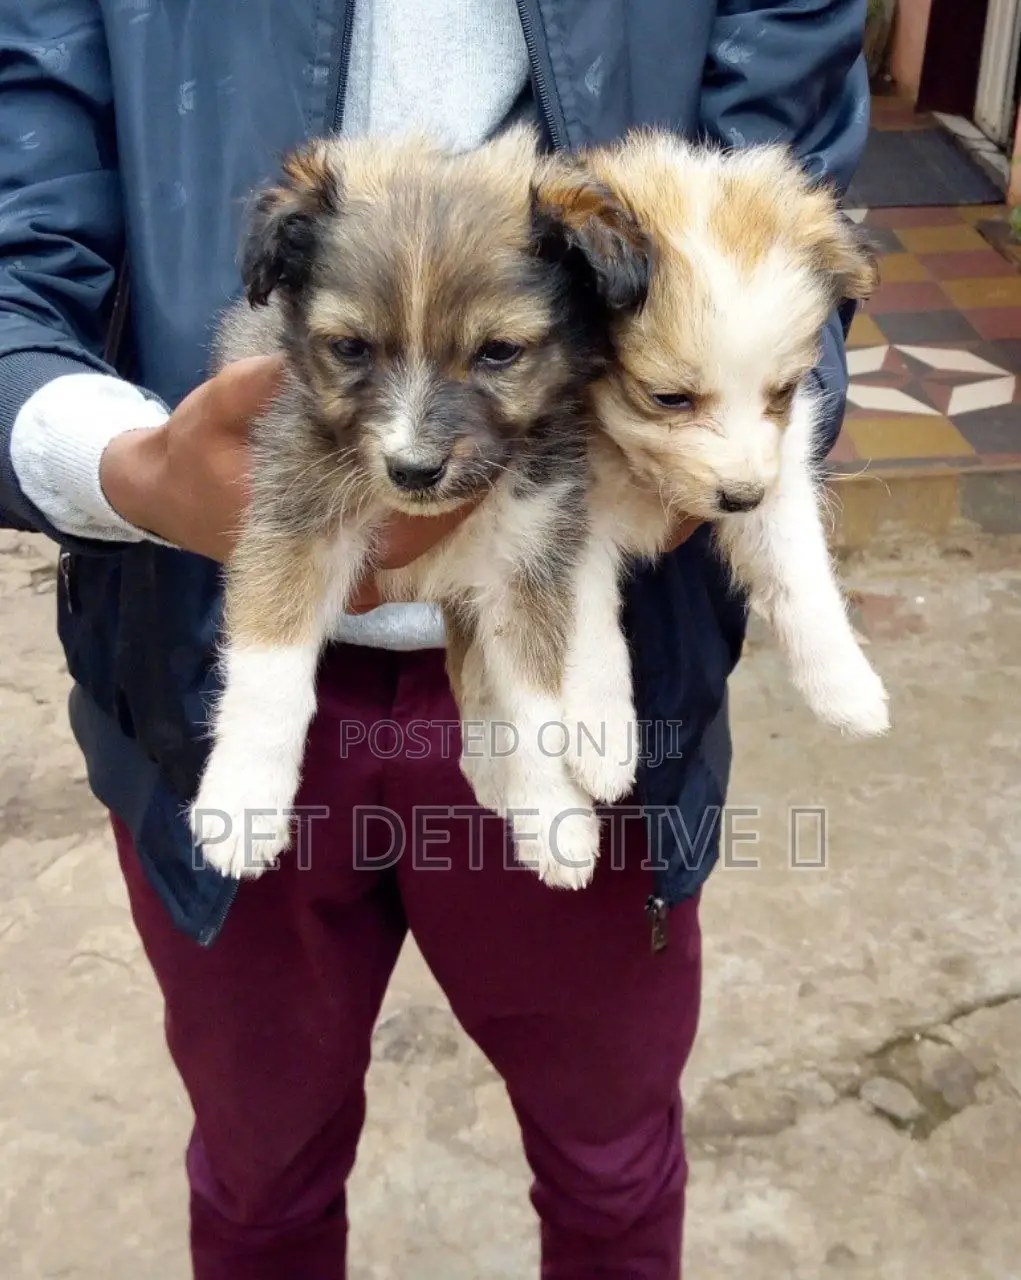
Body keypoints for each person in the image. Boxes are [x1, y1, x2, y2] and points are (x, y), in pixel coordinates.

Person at [0, 2, 869, 1276]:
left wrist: (713, 444)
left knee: (611, 1162)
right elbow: (19, 261)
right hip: (195, 658)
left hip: (591, 658)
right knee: (260, 1177)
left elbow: (790, 260)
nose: (412, 440)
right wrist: (126, 466)